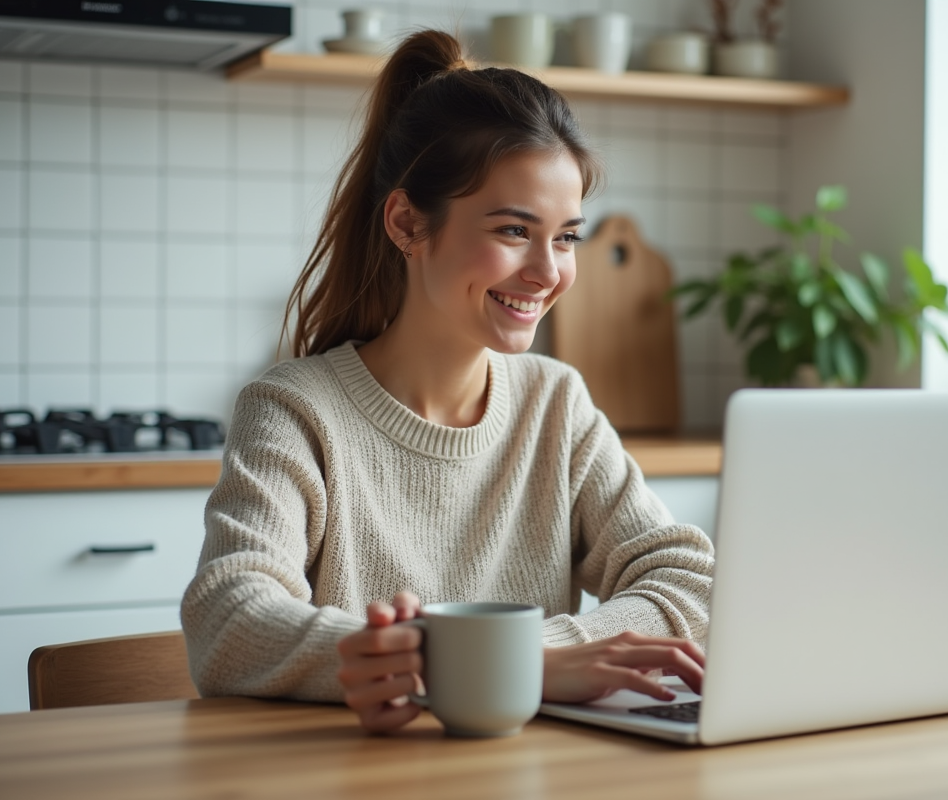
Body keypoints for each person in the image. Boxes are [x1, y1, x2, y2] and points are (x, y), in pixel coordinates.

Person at [180, 30, 714, 734]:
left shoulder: (556, 403)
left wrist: (525, 658)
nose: (549, 272)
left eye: (565, 237)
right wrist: (503, 666)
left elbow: (686, 577)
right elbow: (228, 616)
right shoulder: (294, 411)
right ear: (406, 222)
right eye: (514, 231)